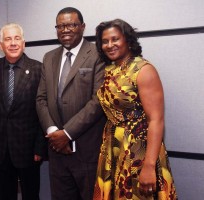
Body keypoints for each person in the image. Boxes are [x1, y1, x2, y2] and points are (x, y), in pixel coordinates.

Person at [93, 19, 177, 200]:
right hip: (113, 146)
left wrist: (148, 166)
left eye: (115, 39)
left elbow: (156, 120)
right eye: (105, 41)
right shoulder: (110, 70)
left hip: (138, 148)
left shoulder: (143, 70)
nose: (109, 45)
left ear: (128, 40)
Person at [36, 7, 106, 200]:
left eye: (71, 25)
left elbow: (98, 101)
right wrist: (53, 133)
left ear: (82, 27)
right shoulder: (49, 57)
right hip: (57, 152)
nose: (65, 30)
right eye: (60, 26)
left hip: (87, 151)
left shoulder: (98, 54)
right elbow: (41, 99)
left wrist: (67, 134)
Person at [0, 23, 46, 200]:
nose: (13, 43)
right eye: (8, 39)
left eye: (17, 38)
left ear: (24, 43)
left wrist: (40, 147)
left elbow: (43, 109)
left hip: (28, 150)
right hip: (0, 150)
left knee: (31, 195)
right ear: (0, 45)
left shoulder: (38, 69)